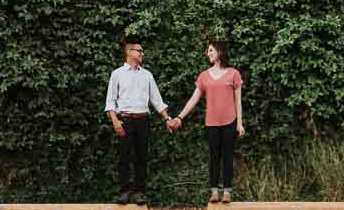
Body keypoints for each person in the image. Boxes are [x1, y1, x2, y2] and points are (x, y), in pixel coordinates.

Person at [169, 40, 245, 203]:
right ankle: (214, 191)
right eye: (208, 51)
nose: (208, 53)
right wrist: (179, 117)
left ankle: (227, 191)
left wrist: (239, 123)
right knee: (214, 157)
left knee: (227, 156)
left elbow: (238, 101)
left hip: (230, 122)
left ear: (220, 52)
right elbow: (193, 100)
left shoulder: (234, 73)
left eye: (211, 50)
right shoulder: (204, 76)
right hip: (211, 123)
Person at [104, 36, 176, 205]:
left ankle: (139, 192)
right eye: (139, 50)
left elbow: (157, 100)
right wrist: (115, 121)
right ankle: (125, 191)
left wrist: (168, 118)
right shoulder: (117, 74)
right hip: (125, 121)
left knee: (141, 157)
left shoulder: (147, 75)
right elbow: (110, 102)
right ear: (129, 52)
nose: (142, 53)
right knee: (124, 158)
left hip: (143, 120)